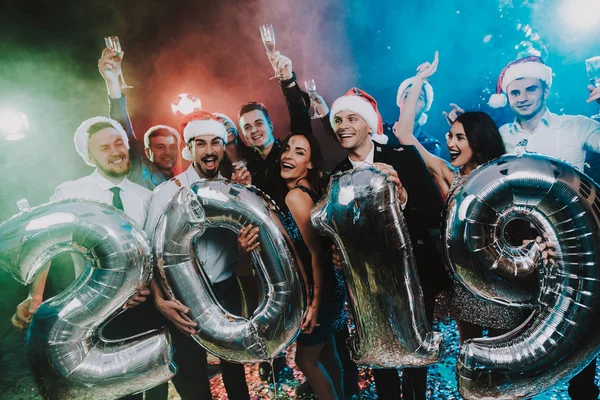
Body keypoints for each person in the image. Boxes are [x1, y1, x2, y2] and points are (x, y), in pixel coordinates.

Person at [394, 53, 538, 346]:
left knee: (506, 356)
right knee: (469, 352)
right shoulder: (448, 175)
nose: (450, 143)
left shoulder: (501, 178)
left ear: (478, 139)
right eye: (449, 136)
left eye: (459, 137)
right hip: (464, 284)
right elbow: (405, 134)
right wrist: (419, 80)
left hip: (502, 284)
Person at [11, 116, 154, 400]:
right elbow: (46, 241)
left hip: (143, 313)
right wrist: (35, 296)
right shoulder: (72, 193)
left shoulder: (146, 197)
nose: (115, 152)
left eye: (118, 143)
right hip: (96, 318)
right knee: (110, 392)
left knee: (150, 387)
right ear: (90, 157)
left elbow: (154, 255)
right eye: (104, 148)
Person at [487, 55, 600, 400]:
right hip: (518, 251)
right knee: (520, 335)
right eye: (514, 91)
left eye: (530, 89)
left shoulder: (578, 126)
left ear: (545, 89)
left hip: (573, 251)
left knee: (579, 332)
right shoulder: (499, 136)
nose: (522, 97)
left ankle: (582, 391)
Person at [328, 86, 449, 400]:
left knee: (414, 352)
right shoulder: (336, 176)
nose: (343, 125)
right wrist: (339, 252)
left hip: (414, 275)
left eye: (351, 118)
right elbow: (338, 231)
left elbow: (435, 213)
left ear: (369, 124)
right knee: (380, 354)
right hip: (370, 281)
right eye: (338, 120)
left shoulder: (402, 157)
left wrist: (403, 196)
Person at [144, 110, 252, 400]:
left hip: (225, 290)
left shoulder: (235, 192)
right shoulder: (166, 193)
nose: (208, 150)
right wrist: (159, 299)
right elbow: (149, 255)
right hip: (182, 296)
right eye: (200, 143)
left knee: (235, 369)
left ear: (222, 148)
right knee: (193, 377)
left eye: (215, 142)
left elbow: (249, 253)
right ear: (189, 149)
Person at [240, 132, 346, 399]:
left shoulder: (296, 197)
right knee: (329, 354)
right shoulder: (299, 191)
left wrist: (313, 303)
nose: (288, 155)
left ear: (309, 164)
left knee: (306, 361)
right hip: (327, 285)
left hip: (323, 289)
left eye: (299, 152)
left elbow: (317, 253)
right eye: (287, 149)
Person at [98, 48, 180, 189]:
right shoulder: (139, 168)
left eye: (172, 147)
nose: (168, 152)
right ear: (148, 152)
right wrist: (113, 84)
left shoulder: (180, 183)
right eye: (160, 147)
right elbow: (123, 129)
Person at [385, 77, 442, 155]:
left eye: (419, 98)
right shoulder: (381, 130)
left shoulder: (430, 144)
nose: (411, 102)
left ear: (425, 106)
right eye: (406, 96)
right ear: (399, 101)